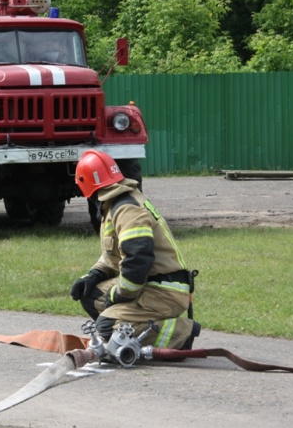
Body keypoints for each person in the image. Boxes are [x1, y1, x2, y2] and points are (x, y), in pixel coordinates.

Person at [69, 150, 200, 350]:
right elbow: (113, 256)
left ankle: (180, 334)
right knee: (90, 295)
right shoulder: (115, 204)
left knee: (106, 326)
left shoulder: (126, 209)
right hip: (150, 283)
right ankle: (126, 337)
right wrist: (93, 275)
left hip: (164, 291)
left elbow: (138, 261)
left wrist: (118, 294)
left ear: (85, 183)